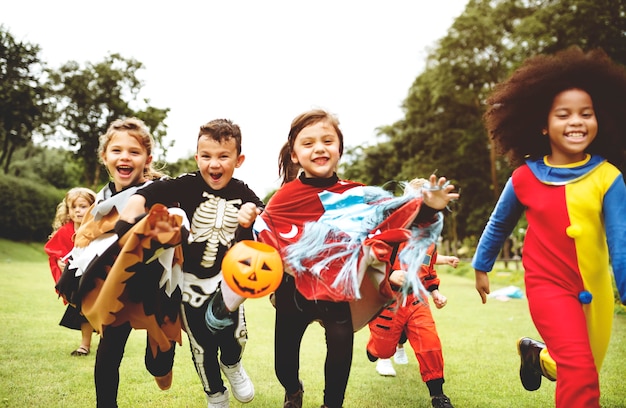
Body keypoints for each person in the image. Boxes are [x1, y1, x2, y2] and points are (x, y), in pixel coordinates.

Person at [253, 109, 459, 408]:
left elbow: (396, 216)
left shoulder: (358, 195)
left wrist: (428, 207)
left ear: (339, 149)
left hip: (339, 289)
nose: (319, 148)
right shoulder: (284, 197)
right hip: (292, 291)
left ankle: (331, 404)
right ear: (295, 155)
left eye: (327, 140)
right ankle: (293, 388)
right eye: (308, 143)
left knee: (340, 351)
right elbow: (264, 232)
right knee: (283, 365)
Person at [472, 47, 626, 408]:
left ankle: (536, 356)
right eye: (564, 114)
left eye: (586, 114)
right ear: (543, 124)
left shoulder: (609, 178)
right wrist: (481, 265)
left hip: (595, 288)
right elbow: (499, 224)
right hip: (547, 286)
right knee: (581, 372)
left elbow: (621, 241)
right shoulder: (524, 177)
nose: (576, 121)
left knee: (579, 365)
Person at [119, 118, 263, 408]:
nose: (214, 164)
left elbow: (262, 217)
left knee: (235, 336)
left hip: (228, 282)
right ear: (197, 157)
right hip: (190, 285)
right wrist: (130, 213)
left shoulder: (243, 191)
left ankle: (233, 364)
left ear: (239, 159)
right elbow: (145, 195)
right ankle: (215, 395)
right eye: (206, 156)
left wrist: (252, 214)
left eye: (224, 156)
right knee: (202, 346)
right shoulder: (184, 186)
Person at [56, 117, 181, 408]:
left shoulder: (159, 193)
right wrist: (74, 261)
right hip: (117, 288)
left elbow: (176, 232)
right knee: (108, 354)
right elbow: (88, 240)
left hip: (157, 292)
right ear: (105, 157)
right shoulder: (101, 201)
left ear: (147, 159)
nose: (125, 157)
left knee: (159, 367)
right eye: (117, 151)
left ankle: (161, 362)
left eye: (134, 152)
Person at [373, 246, 459, 382]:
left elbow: (427, 263)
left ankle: (436, 392)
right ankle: (381, 356)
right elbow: (371, 259)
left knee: (422, 334)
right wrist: (389, 274)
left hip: (415, 298)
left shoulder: (428, 242)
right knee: (387, 333)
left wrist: (435, 292)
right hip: (390, 296)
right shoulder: (393, 234)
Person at [44, 187, 97, 356]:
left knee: (96, 309)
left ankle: (105, 340)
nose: (78, 211)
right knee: (81, 309)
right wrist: (60, 263)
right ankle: (85, 345)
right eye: (73, 207)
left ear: (93, 207)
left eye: (83, 206)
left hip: (95, 277)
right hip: (74, 280)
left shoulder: (97, 228)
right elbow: (55, 251)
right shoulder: (65, 231)